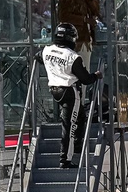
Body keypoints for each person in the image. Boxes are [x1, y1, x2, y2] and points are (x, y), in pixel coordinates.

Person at [41, 22, 100, 168]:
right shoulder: (73, 57)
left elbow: (38, 58)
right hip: (70, 92)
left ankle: (78, 144)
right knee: (69, 126)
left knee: (80, 116)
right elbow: (85, 78)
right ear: (71, 38)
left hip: (54, 89)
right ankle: (65, 159)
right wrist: (97, 75)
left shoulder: (46, 50)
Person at [56, 0, 101, 65]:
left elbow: (96, 11)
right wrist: (84, 20)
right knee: (75, 69)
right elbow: (63, 16)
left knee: (85, 67)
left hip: (86, 39)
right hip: (74, 40)